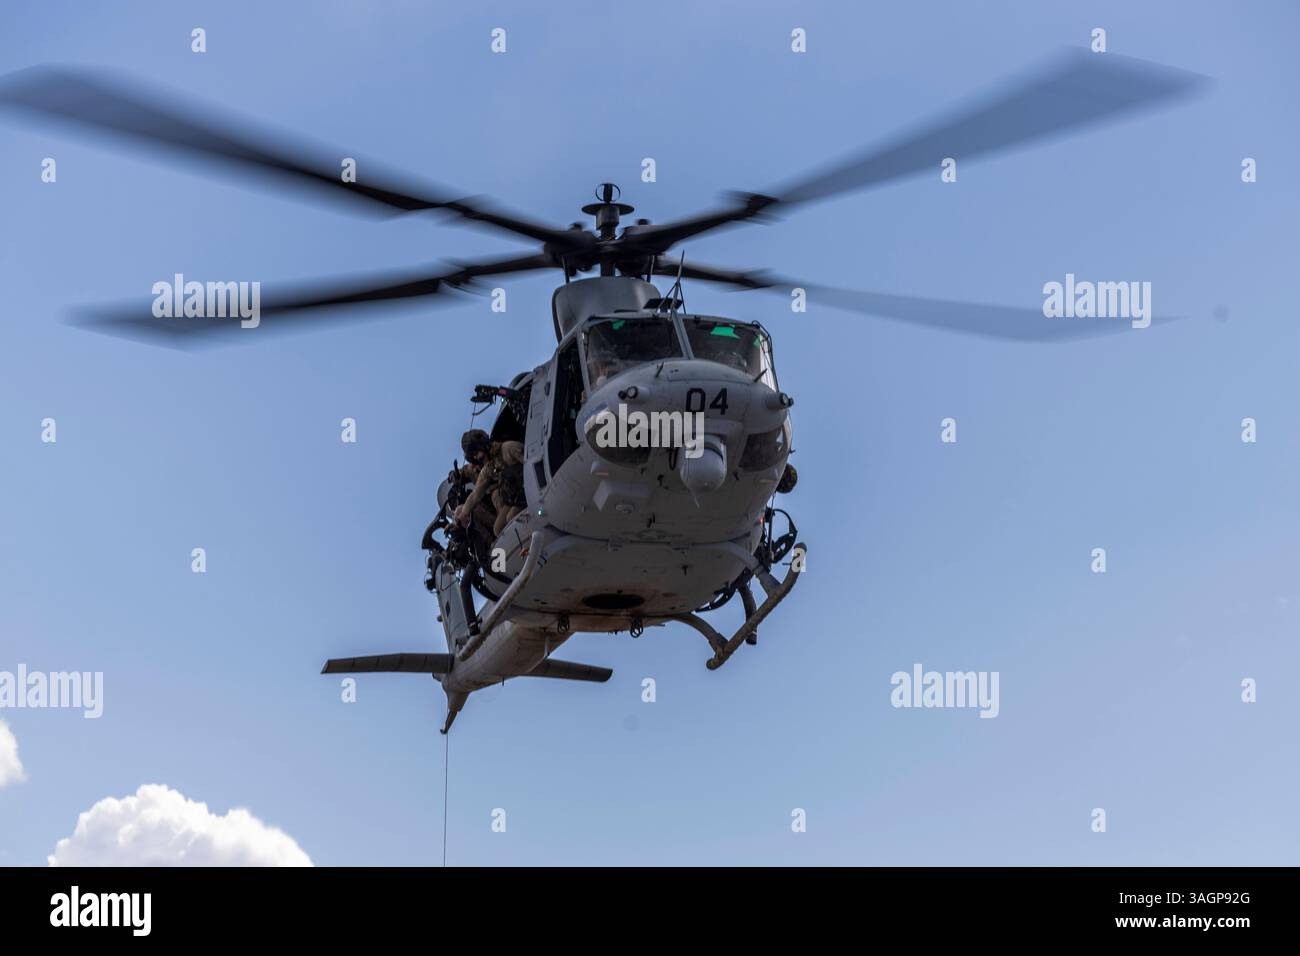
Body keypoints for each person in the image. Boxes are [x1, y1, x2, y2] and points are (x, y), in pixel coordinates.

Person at [454, 429, 526, 538]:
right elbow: (475, 495)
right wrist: (461, 517)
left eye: (477, 452)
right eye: (474, 455)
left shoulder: (508, 449)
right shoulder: (489, 468)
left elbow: (530, 461)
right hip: (515, 498)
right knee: (498, 528)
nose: (477, 457)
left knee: (511, 518)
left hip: (529, 489)